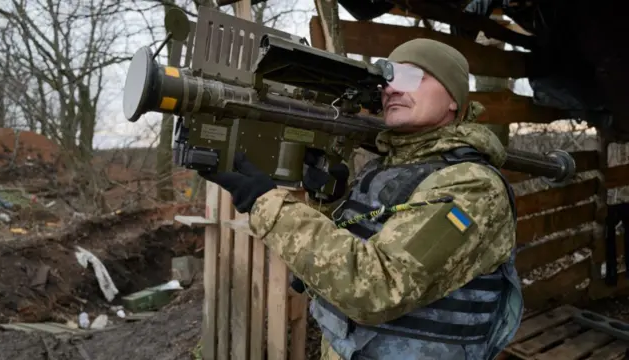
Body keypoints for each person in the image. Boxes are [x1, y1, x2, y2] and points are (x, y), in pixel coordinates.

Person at [200, 38, 523, 360]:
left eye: (412, 77)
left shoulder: (473, 187)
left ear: (454, 99)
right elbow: (353, 251)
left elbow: (377, 289)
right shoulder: (386, 168)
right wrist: (328, 203)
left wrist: (266, 203)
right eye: (389, 79)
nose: (392, 89)